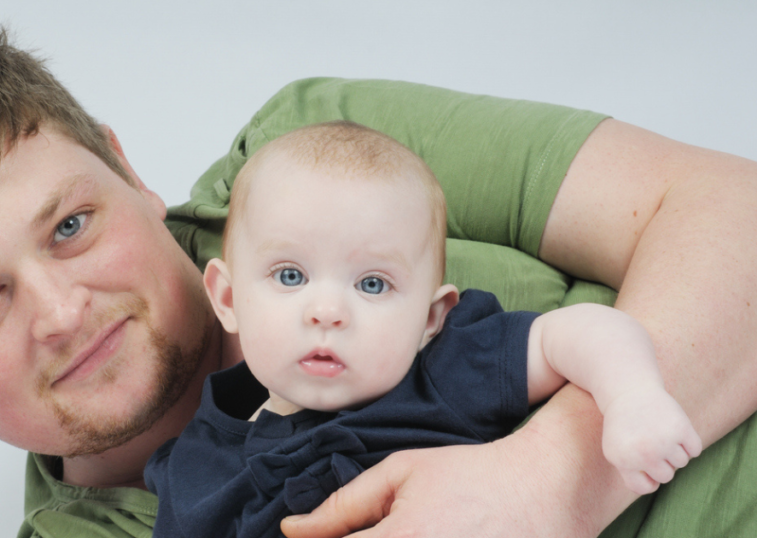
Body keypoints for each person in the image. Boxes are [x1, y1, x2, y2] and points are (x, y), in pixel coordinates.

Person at [0, 22, 757, 538]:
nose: (59, 313)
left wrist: (548, 486)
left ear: (128, 170)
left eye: (71, 226)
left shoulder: (317, 150)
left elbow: (734, 211)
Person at [143, 121, 701, 538]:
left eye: (372, 284)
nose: (327, 311)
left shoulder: (447, 371)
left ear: (430, 319)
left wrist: (632, 397)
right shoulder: (194, 470)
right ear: (229, 298)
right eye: (291, 275)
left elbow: (577, 332)